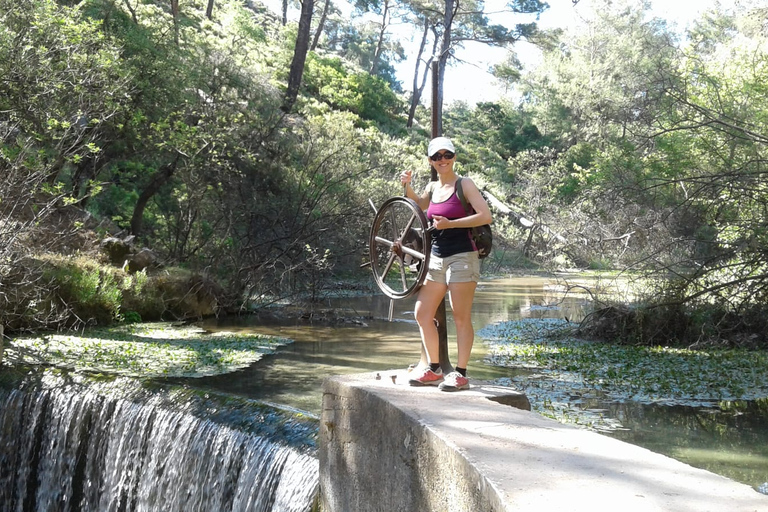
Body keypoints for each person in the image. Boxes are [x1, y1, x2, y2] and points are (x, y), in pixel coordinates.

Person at [399, 136, 492, 391]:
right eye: (437, 156)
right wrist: (406, 186)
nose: (442, 160)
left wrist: (451, 224)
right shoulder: (432, 188)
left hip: (463, 256)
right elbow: (420, 205)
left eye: (447, 155)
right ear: (430, 161)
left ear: (454, 157)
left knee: (460, 316)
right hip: (436, 257)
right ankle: (434, 369)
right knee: (422, 313)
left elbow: (485, 216)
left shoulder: (465, 185)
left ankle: (460, 374)